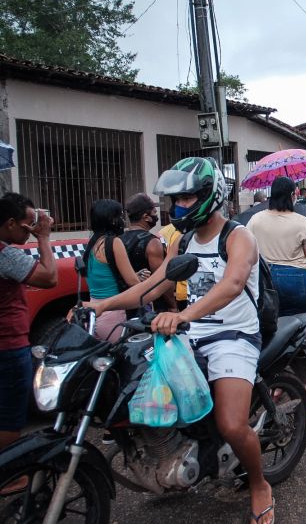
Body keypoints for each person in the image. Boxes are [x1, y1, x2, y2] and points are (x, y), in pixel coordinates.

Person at [85, 157, 275, 524]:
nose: (179, 207)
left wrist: (183, 314)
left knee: (232, 424)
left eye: (188, 198)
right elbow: (156, 284)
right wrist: (100, 304)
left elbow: (233, 284)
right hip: (191, 331)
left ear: (209, 195)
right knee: (140, 387)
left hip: (233, 335)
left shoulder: (239, 236)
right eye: (177, 199)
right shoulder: (183, 239)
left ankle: (258, 484)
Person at [0, 193, 56, 453]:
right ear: (10, 223)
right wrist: (43, 237)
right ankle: (8, 476)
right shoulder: (5, 255)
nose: (32, 229)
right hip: (8, 345)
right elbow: (48, 277)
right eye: (29, 223)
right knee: (10, 414)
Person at [246, 176, 306, 318]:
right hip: (298, 280)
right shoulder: (302, 222)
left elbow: (246, 252)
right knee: (301, 325)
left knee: (271, 327)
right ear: (291, 195)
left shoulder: (255, 220)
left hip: (266, 280)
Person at [85, 199, 141, 341]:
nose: (123, 220)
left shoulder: (92, 244)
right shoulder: (114, 242)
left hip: (93, 310)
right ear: (112, 219)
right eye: (120, 216)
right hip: (113, 311)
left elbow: (106, 276)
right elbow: (132, 281)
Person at [122, 193, 176, 312]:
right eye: (155, 213)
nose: (156, 216)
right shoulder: (152, 242)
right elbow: (161, 280)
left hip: (127, 305)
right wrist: (173, 305)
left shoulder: (119, 240)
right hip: (152, 309)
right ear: (146, 217)